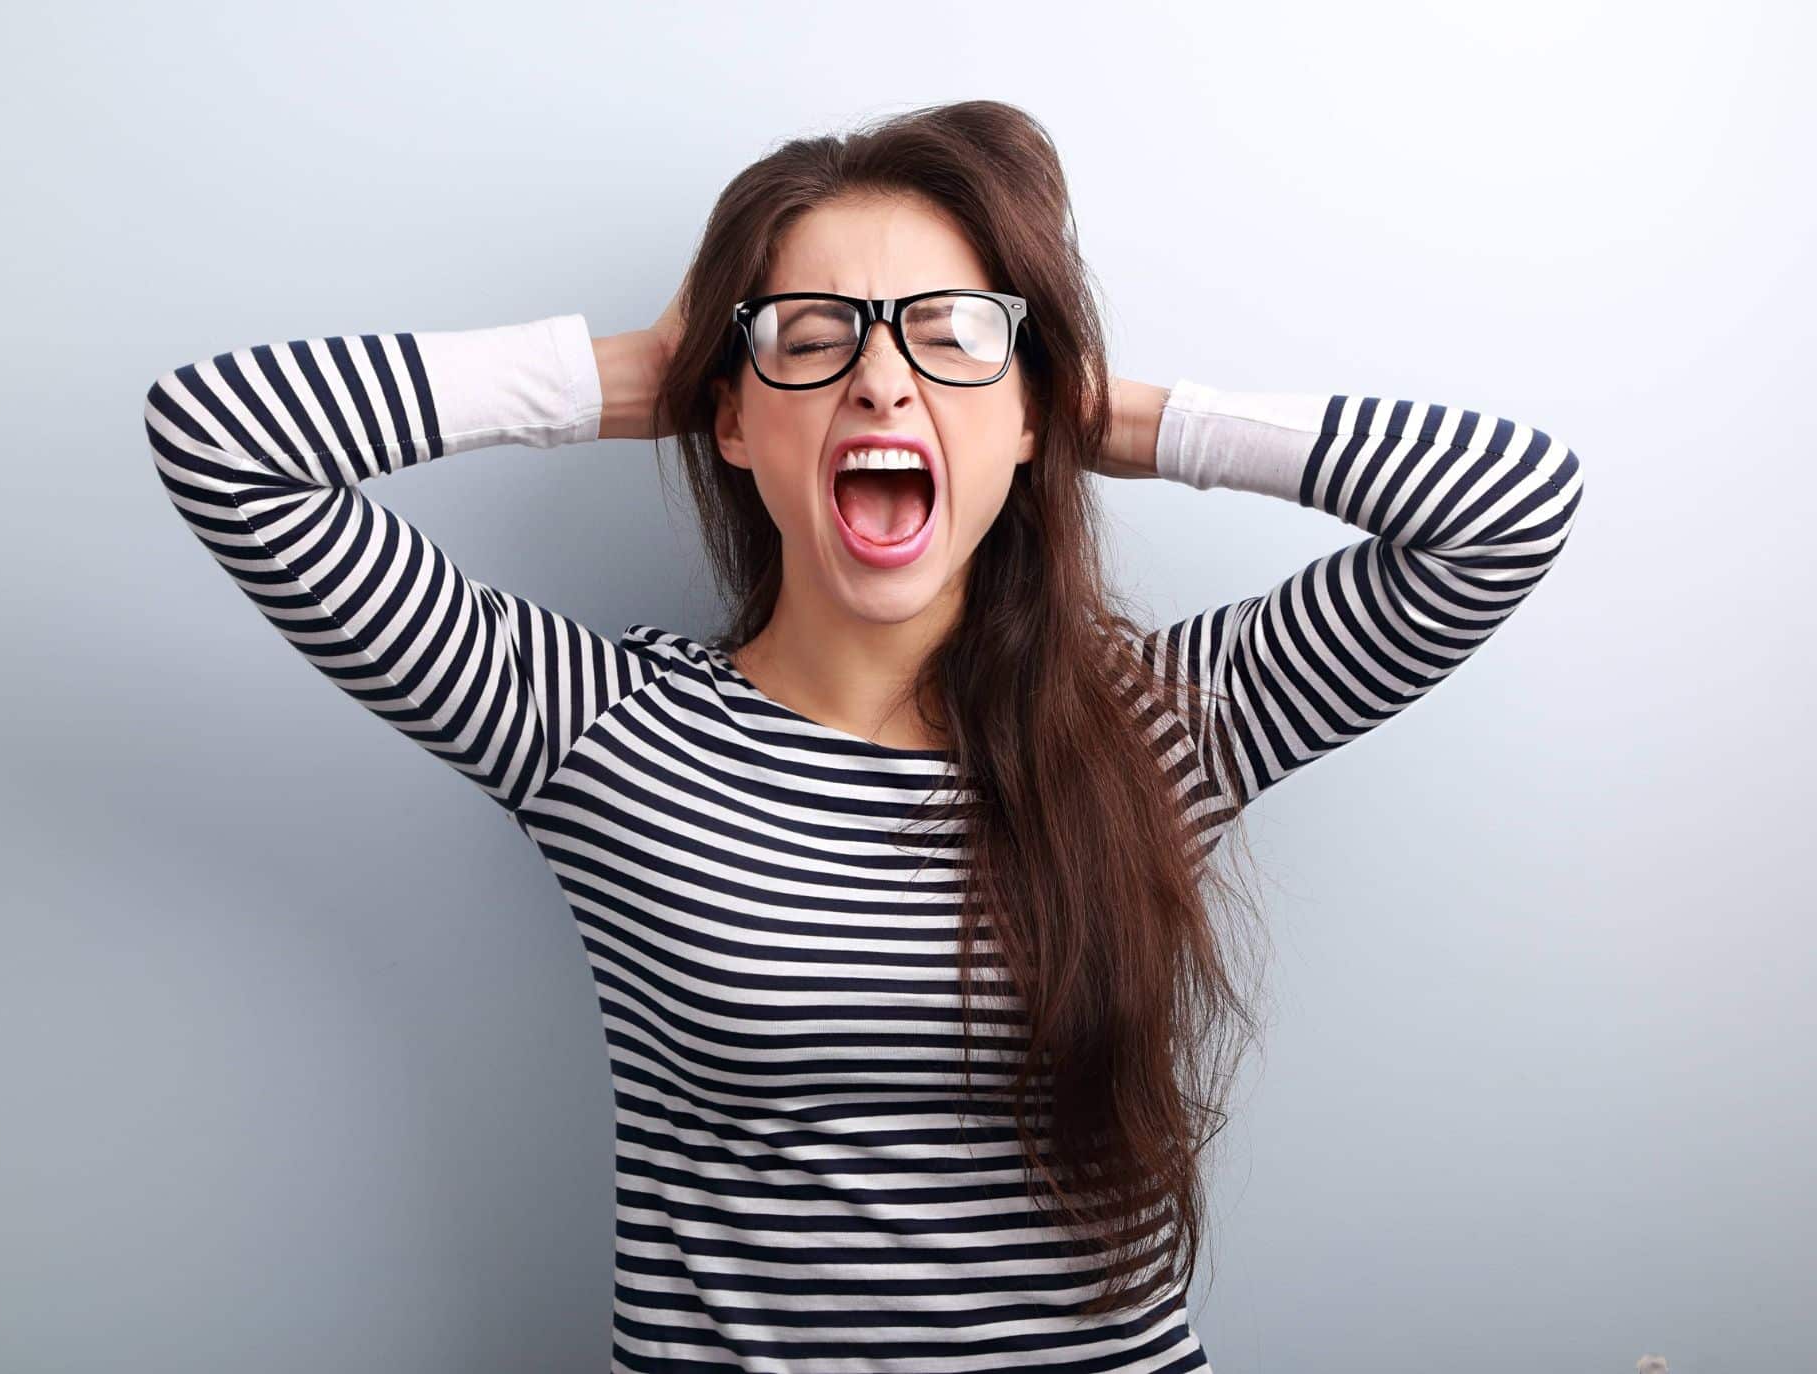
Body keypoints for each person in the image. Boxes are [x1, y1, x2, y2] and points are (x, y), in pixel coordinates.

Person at [141, 100, 1583, 1373]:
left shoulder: (1160, 728)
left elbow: (1507, 508)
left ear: (1032, 423)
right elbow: (223, 442)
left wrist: (1100, 410)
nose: (882, 382)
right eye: (814, 336)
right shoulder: (596, 730)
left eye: (951, 335)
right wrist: (635, 371)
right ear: (727, 420)